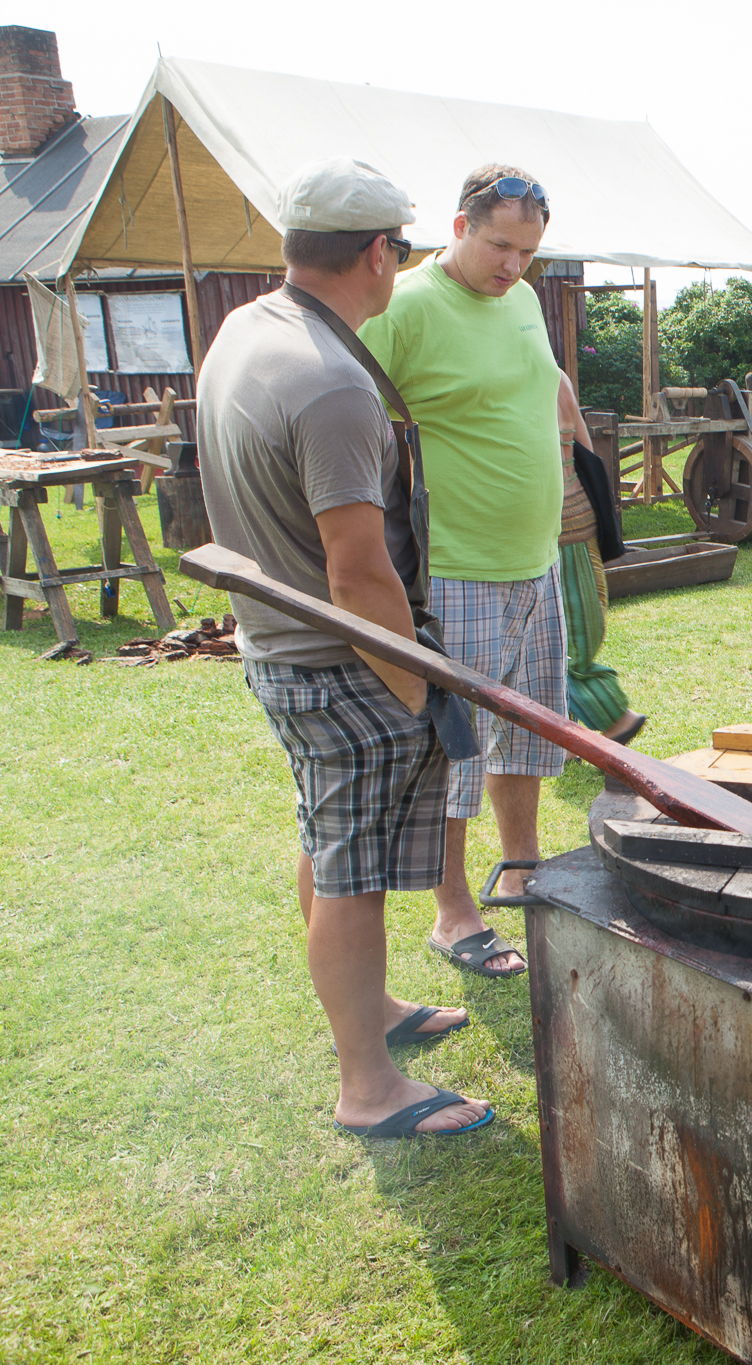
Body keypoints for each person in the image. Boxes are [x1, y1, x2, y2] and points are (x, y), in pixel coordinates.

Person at [198, 157, 490, 1137]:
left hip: (281, 649)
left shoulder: (248, 330)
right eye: (399, 250)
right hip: (335, 662)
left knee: (329, 846)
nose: (399, 266)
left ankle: (370, 1014)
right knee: (353, 872)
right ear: (376, 253)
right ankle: (368, 1089)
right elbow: (358, 570)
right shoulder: (332, 385)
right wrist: (414, 694)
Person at [360, 165, 565, 979]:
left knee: (530, 733)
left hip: (536, 562)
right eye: (500, 245)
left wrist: (574, 455)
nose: (514, 265)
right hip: (455, 570)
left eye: (529, 251)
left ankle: (522, 870)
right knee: (455, 751)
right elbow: (351, 418)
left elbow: (544, 385)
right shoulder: (404, 309)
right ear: (458, 226)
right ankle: (454, 913)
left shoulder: (521, 299)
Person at [555, 371, 644, 744]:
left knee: (574, 629)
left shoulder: (548, 377)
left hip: (566, 522)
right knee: (575, 632)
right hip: (566, 519)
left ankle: (583, 724)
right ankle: (609, 718)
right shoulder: (554, 375)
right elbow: (587, 452)